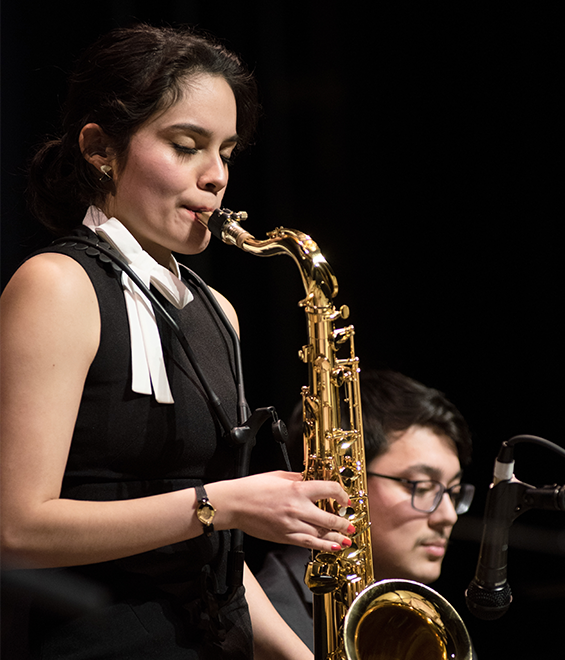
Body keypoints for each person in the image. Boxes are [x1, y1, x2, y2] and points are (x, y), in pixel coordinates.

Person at [0, 24, 355, 660]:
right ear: (99, 148)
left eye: (227, 152)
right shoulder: (58, 285)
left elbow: (215, 551)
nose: (216, 176)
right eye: (187, 145)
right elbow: (16, 526)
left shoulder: (218, 311)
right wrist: (222, 503)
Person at [257, 368, 474, 650]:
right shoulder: (266, 617)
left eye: (454, 492)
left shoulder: (428, 622)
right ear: (343, 483)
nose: (448, 515)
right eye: (421, 487)